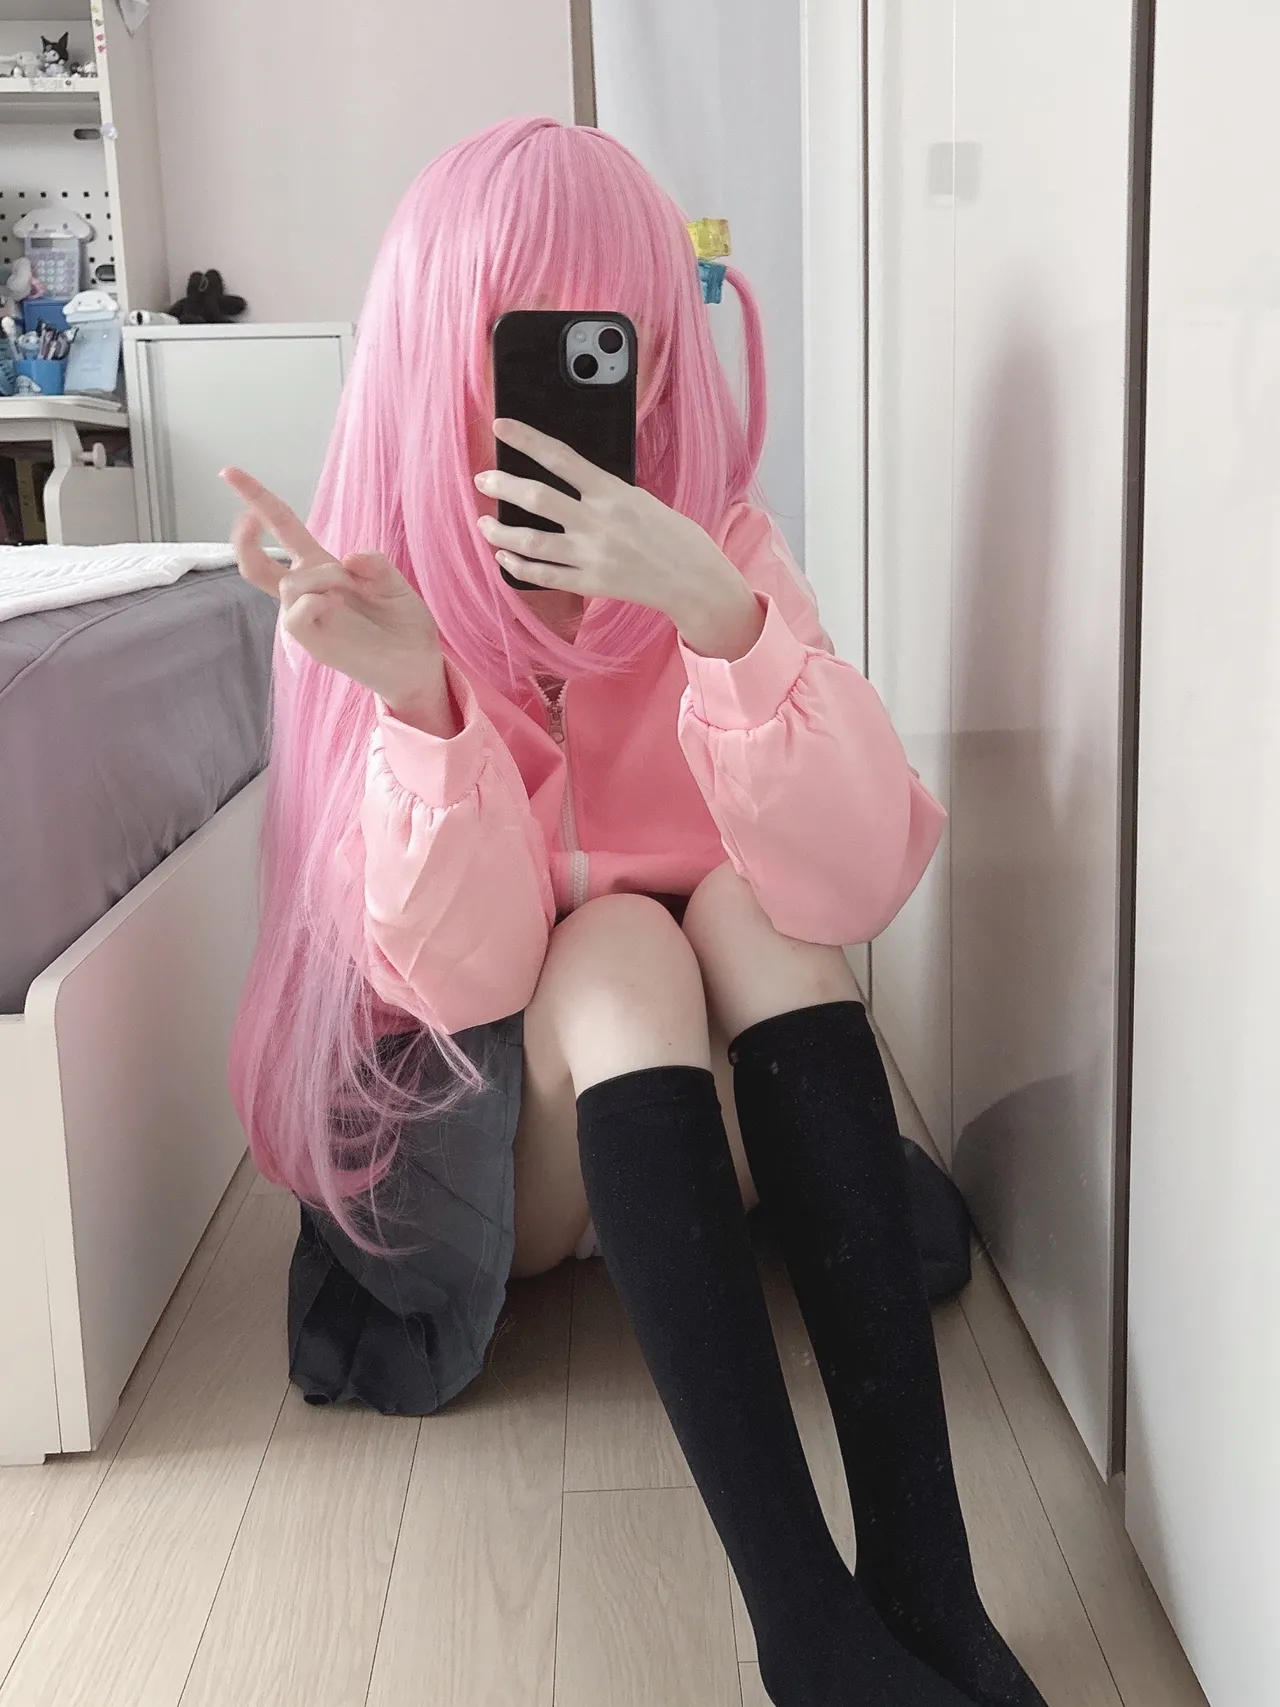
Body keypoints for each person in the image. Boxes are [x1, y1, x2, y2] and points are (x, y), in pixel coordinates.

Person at [224, 116, 1047, 1707]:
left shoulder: (717, 552)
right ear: (443, 344)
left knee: (752, 913)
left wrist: (725, 622)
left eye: (614, 334)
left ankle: (927, 1579)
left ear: (665, 339)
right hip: (508, 1138)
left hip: (698, 1118)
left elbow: (855, 883)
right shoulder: (373, 591)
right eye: (524, 339)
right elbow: (465, 979)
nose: (579, 379)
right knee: (618, 940)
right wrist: (422, 708)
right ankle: (803, 1616)